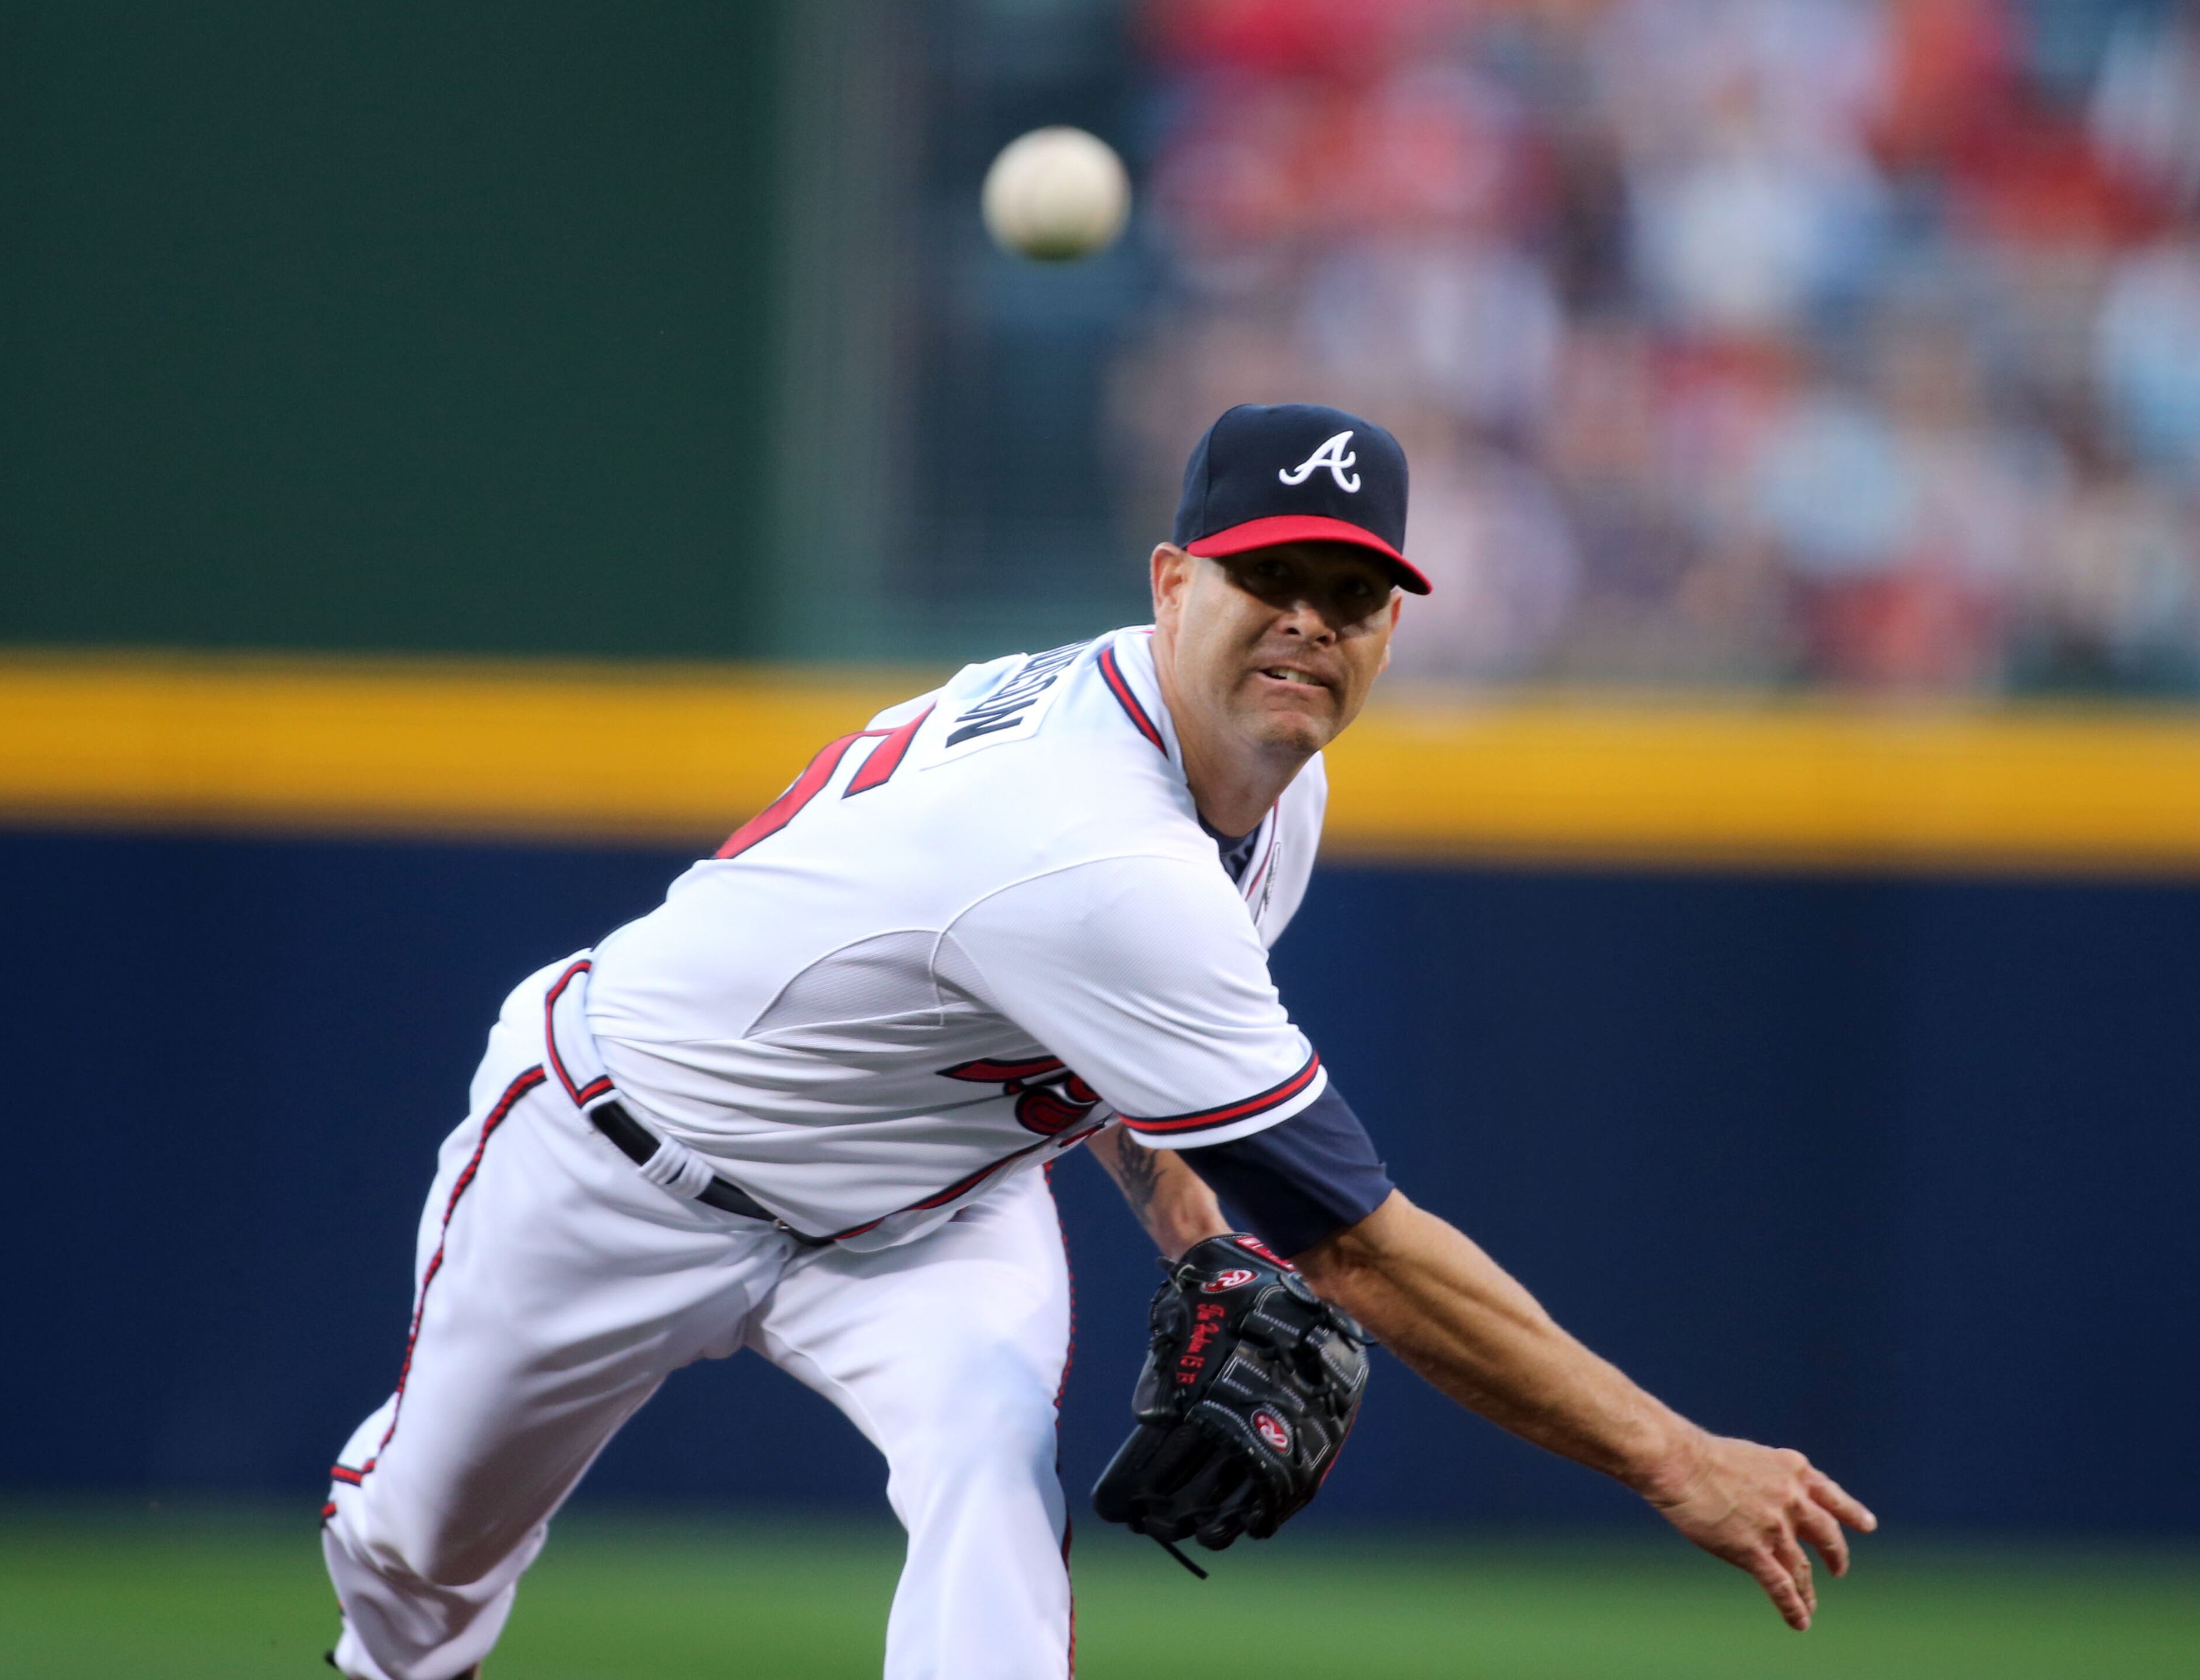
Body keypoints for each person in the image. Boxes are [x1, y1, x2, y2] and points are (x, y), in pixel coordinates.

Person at [321, 404, 1874, 1680]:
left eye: (1353, 597)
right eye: (1272, 578)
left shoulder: (1270, 782)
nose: (1310, 626)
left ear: (1392, 627)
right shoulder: (1093, 843)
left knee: (992, 1487)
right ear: (1173, 580)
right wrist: (1675, 1456)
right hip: (616, 1160)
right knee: (416, 1577)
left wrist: (1190, 1227)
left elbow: (1123, 1056)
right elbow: (1365, 1254)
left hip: (930, 1208)